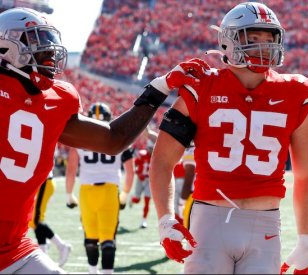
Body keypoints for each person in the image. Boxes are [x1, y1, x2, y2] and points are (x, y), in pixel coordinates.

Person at [0, 7, 205, 274]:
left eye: (49, 43)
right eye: (38, 43)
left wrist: (158, 89)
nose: (50, 53)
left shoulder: (56, 100)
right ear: (6, 49)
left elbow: (112, 140)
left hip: (15, 248)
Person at [150, 2, 308, 274]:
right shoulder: (202, 85)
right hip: (209, 223)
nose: (264, 46)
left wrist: (306, 239)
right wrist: (165, 219)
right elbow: (162, 160)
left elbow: (306, 174)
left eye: (269, 38)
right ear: (228, 41)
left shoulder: (295, 91)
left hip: (264, 224)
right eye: (253, 38)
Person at [65, 102, 135, 274]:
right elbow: (130, 172)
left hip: (86, 191)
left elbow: (71, 170)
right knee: (108, 240)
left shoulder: (79, 140)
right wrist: (125, 193)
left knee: (90, 239)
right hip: (110, 190)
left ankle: (92, 271)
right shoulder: (119, 138)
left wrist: (68, 194)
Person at [29, 168, 72, 267]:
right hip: (42, 182)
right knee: (34, 220)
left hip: (44, 181)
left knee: (36, 220)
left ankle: (62, 246)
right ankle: (44, 254)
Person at [131, 147, 153, 229]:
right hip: (140, 180)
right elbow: (134, 165)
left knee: (147, 201)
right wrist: (138, 173)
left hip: (149, 181)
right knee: (136, 200)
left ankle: (144, 220)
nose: (151, 150)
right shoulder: (142, 155)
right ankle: (132, 199)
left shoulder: (157, 157)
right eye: (150, 148)